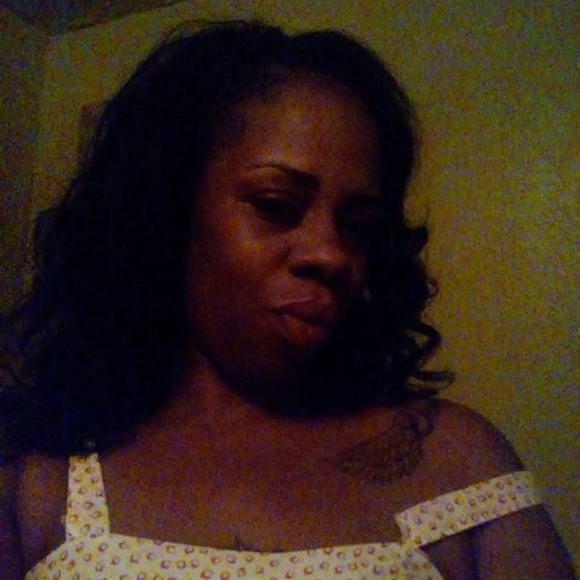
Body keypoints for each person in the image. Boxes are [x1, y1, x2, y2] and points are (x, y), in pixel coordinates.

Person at [0, 20, 573, 579]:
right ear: (169, 212)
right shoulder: (39, 471)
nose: (332, 254)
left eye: (358, 225)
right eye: (275, 205)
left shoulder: (455, 458)